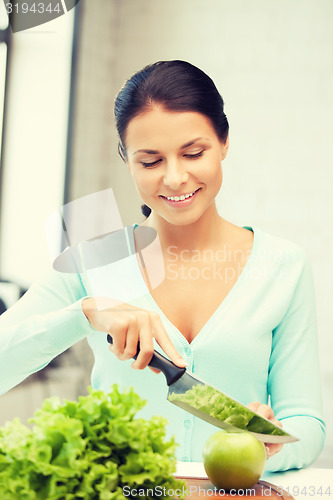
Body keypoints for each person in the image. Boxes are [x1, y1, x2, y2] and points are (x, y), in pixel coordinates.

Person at [0, 60, 325, 471]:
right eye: (150, 162)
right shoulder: (91, 261)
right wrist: (84, 314)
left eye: (193, 153)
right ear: (127, 159)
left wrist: (274, 447)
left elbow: (307, 423)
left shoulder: (282, 265)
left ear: (224, 142)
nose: (174, 178)